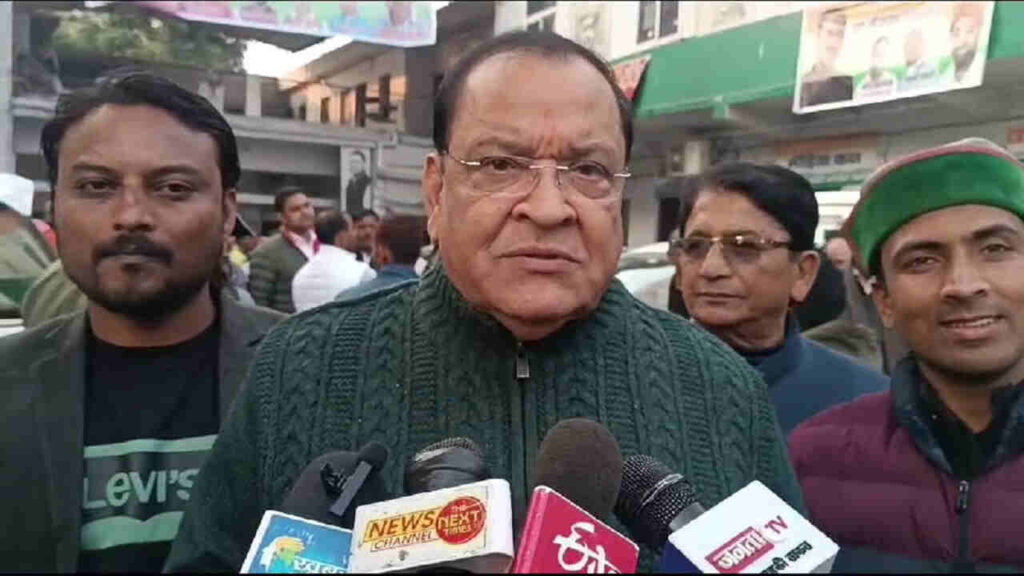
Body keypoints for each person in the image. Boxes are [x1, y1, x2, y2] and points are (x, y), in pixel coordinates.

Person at [166, 31, 804, 571]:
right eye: (501, 165)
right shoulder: (298, 367)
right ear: (437, 192)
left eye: (588, 171)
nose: (549, 208)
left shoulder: (723, 388)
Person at [0, 73, 284, 573]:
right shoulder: (8, 383)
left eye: (173, 188)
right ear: (54, 209)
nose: (131, 216)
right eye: (96, 186)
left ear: (227, 213)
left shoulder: (313, 368)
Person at [790, 138, 1024, 571]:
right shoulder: (813, 460)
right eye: (922, 261)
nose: (963, 285)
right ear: (883, 300)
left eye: (995, 249)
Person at [675, 163, 887, 434]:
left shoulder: (867, 405)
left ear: (803, 273)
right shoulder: (632, 382)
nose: (711, 268)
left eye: (743, 246)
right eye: (695, 246)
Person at [247, 187, 317, 313]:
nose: (305, 212)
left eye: (307, 206)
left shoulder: (326, 244)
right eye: (296, 209)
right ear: (282, 217)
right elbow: (259, 307)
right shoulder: (267, 252)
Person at [291, 210, 375, 312]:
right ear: (342, 237)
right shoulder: (362, 272)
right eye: (352, 229)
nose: (355, 235)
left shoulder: (300, 275)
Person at [336, 214, 425, 301]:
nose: (367, 232)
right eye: (361, 227)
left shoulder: (347, 299)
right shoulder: (427, 297)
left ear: (380, 250)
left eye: (372, 227)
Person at [800, 10, 854, 107]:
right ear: (818, 35)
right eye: (830, 33)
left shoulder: (849, 84)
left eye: (840, 34)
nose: (834, 40)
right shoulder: (802, 84)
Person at [943, 2, 985, 83]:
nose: (962, 40)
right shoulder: (945, 75)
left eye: (969, 31)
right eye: (956, 33)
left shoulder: (981, 69)